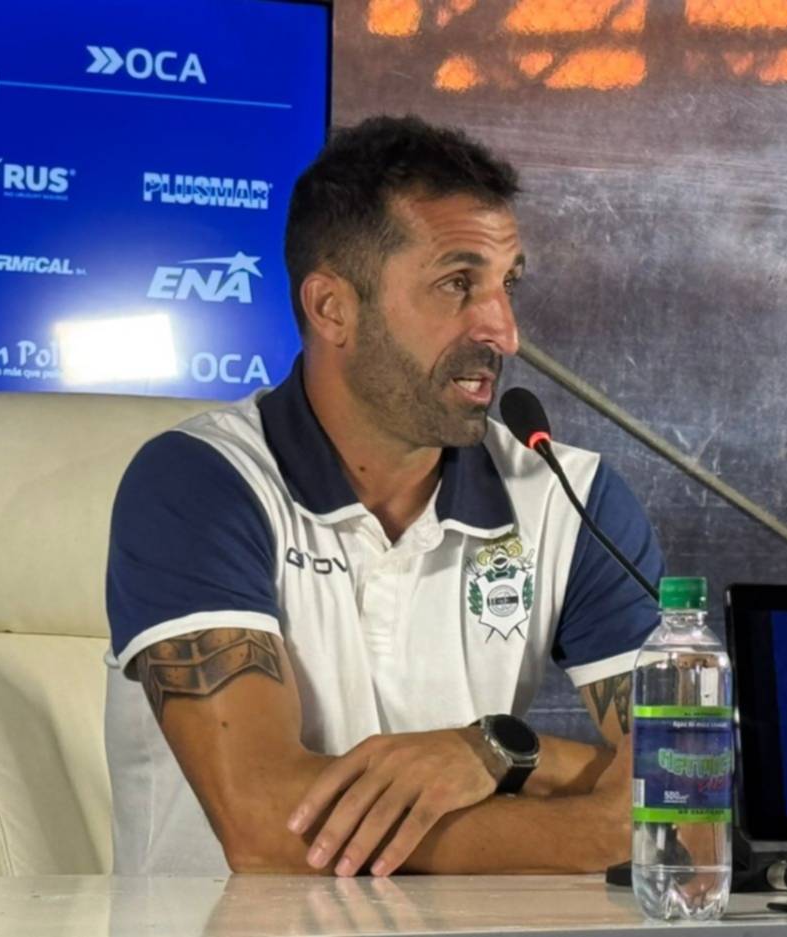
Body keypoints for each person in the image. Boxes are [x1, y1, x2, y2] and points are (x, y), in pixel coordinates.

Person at [104, 115, 665, 876]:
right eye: (457, 284)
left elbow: (688, 785)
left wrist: (496, 749)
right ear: (332, 307)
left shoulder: (570, 495)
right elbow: (268, 827)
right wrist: (599, 828)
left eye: (507, 285)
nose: (504, 332)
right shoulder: (199, 483)